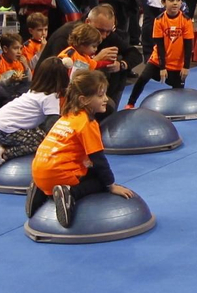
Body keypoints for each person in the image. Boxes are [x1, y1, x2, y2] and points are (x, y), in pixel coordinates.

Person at [28, 69, 137, 229]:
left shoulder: (67, 117)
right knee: (99, 181)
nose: (106, 99)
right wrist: (111, 185)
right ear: (84, 100)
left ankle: (40, 191)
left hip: (39, 173)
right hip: (59, 174)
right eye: (100, 95)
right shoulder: (88, 123)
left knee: (88, 169)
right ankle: (69, 192)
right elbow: (99, 159)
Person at [0, 58, 69, 172]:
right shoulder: (50, 97)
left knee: (39, 133)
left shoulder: (35, 90)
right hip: (3, 130)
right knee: (40, 142)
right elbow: (51, 127)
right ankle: (3, 154)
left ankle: (4, 144)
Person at [126, 0, 194, 107]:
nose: (175, 3)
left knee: (178, 94)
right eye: (171, 0)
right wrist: (162, 67)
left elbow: (188, 45)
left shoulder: (186, 20)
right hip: (158, 61)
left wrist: (186, 66)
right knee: (142, 79)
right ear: (163, 2)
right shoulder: (159, 20)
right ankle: (130, 103)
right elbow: (160, 45)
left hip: (177, 64)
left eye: (178, 0)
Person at [0, 32, 30, 107]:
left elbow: (28, 80)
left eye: (21, 48)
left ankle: (14, 99)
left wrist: (26, 66)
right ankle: (14, 100)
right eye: (15, 48)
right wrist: (10, 80)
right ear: (5, 49)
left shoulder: (19, 61)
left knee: (30, 84)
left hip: (12, 91)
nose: (19, 52)